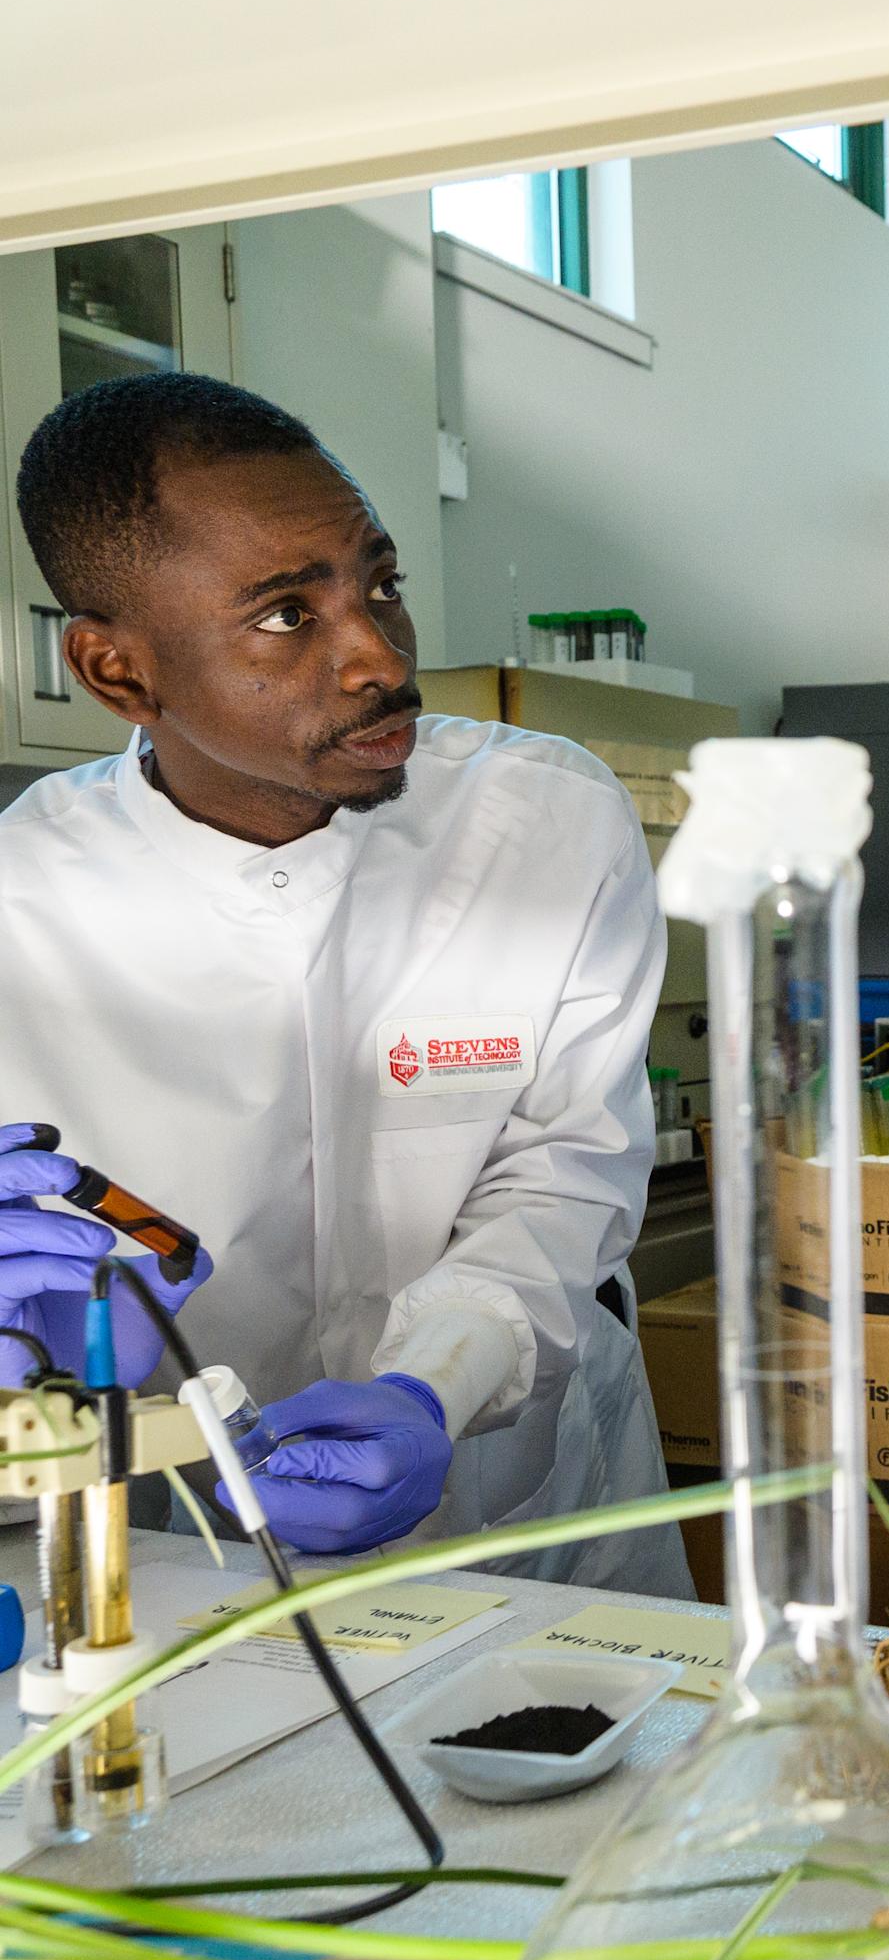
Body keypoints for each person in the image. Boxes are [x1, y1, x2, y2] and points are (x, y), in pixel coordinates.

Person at [0, 372, 682, 1591]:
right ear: (117, 674)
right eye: (285, 616)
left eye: (379, 584)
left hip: (521, 1507)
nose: (377, 653)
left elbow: (567, 1170)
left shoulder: (547, 819)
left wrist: (436, 1386)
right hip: (186, 1553)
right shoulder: (21, 905)